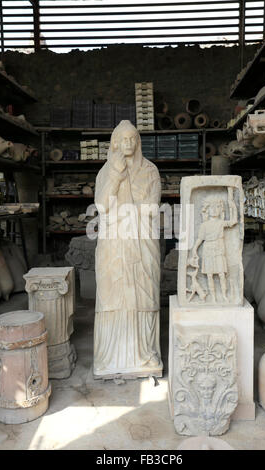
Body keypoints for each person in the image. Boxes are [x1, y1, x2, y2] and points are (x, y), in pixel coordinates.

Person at [93, 120, 163, 378]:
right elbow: (101, 206)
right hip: (114, 244)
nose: (129, 143)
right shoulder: (106, 171)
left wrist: (128, 210)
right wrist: (116, 175)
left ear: (138, 142)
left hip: (142, 242)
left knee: (143, 294)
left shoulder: (150, 171)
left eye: (133, 138)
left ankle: (145, 353)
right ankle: (110, 357)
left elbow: (152, 207)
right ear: (115, 143)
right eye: (123, 139)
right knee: (113, 294)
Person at [189, 188, 237, 303]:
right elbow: (200, 239)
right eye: (211, 207)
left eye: (217, 207)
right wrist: (194, 250)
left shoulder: (221, 223)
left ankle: (224, 295)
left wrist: (231, 200)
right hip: (208, 249)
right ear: (207, 209)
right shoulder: (204, 225)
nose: (214, 210)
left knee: (221, 274)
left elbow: (234, 221)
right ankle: (213, 297)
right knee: (209, 275)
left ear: (220, 209)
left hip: (219, 248)